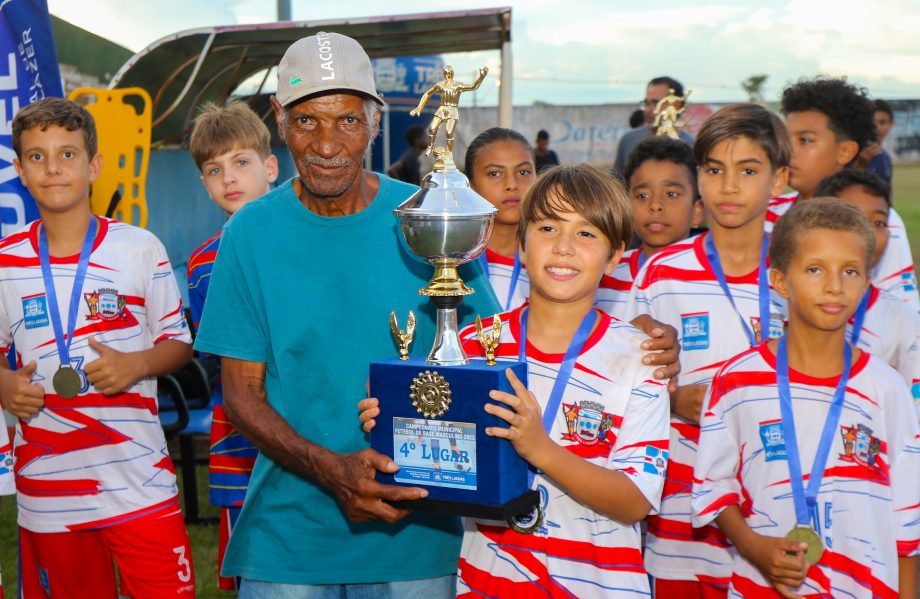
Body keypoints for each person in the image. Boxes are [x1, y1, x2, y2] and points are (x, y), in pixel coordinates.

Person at [192, 32, 503, 597]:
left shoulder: (430, 218)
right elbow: (241, 394)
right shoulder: (249, 233)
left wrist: (622, 341)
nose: (327, 143)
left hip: (416, 534)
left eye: (347, 121)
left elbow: (491, 353)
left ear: (376, 122)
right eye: (308, 121)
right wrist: (332, 471)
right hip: (288, 540)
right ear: (280, 121)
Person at [361, 165, 670, 597]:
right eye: (547, 227)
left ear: (616, 254)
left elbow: (635, 500)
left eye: (586, 234)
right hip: (489, 582)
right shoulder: (470, 343)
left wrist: (540, 448)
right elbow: (445, 465)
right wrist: (400, 424)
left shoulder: (640, 359)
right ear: (521, 242)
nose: (563, 248)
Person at [0, 97, 195, 597]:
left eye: (67, 153)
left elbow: (178, 343)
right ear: (20, 170)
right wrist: (2, 382)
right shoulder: (6, 259)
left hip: (139, 482)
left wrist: (137, 364)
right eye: (37, 156)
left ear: (95, 165)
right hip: (49, 492)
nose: (53, 168)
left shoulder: (139, 247)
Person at [692, 198, 920, 598]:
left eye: (850, 271)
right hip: (759, 586)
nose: (835, 285)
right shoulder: (735, 382)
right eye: (815, 270)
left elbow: (906, 518)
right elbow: (714, 484)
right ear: (780, 281)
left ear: (867, 283)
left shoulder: (887, 389)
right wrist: (752, 546)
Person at [626, 103, 791, 598]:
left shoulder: (802, 271)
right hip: (681, 487)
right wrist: (674, 400)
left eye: (748, 170)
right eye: (715, 170)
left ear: (779, 179)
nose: (729, 185)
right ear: (700, 177)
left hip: (775, 485)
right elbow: (627, 384)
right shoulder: (660, 273)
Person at [465, 127, 683, 372]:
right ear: (469, 185)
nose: (512, 184)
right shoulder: (450, 266)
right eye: (495, 173)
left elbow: (612, 330)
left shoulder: (582, 265)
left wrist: (640, 335)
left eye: (524, 172)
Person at [187, 100, 279, 592]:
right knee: (254, 567)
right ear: (204, 184)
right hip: (238, 433)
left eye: (241, 163)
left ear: (269, 167)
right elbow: (219, 353)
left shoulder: (306, 240)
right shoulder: (202, 264)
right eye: (214, 169)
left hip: (318, 419)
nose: (229, 178)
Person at [772, 77, 918, 309]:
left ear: (845, 151)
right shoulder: (766, 213)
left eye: (805, 140)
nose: (788, 152)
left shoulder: (877, 220)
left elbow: (903, 316)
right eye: (786, 140)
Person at [814, 170, 920, 409]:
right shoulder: (786, 302)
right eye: (853, 218)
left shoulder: (904, 322)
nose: (867, 231)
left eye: (879, 222)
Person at [599, 136, 704, 316]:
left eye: (671, 194)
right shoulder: (604, 275)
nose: (655, 205)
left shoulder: (714, 279)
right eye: (643, 196)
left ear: (697, 211)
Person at [611, 76, 693, 178]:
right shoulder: (629, 140)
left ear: (676, 105)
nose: (647, 110)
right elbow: (615, 184)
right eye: (646, 103)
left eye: (656, 103)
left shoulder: (691, 146)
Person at [410, 65, 488, 157]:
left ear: (452, 74)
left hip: (452, 109)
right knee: (432, 128)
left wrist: (482, 76)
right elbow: (427, 94)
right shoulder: (440, 85)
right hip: (442, 109)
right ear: (443, 74)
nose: (447, 75)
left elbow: (473, 87)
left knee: (449, 132)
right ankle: (430, 146)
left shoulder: (457, 85)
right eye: (445, 73)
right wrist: (419, 107)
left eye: (449, 73)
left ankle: (449, 152)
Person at [858, 99, 895, 183]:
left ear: (892, 123)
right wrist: (860, 164)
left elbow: (887, 192)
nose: (876, 127)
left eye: (882, 122)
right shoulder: (854, 154)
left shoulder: (885, 157)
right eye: (872, 122)